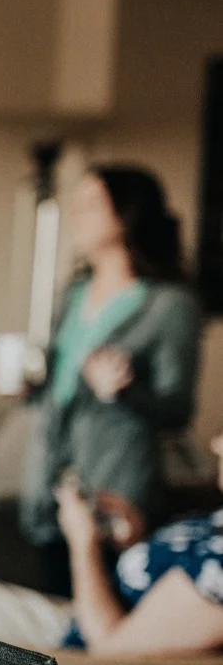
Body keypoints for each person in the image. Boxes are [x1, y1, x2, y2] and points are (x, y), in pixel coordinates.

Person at [13, 166, 200, 595]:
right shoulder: (71, 295)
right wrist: (26, 387)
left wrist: (122, 393)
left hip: (118, 490)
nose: (77, 214)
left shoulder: (169, 305)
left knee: (103, 619)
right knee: (55, 611)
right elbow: (55, 391)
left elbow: (177, 409)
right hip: (49, 481)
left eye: (92, 203)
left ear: (127, 214)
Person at [0, 436, 223, 655]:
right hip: (80, 621)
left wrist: (83, 544)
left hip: (80, 657)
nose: (216, 443)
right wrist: (132, 539)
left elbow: (112, 655)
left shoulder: (216, 576)